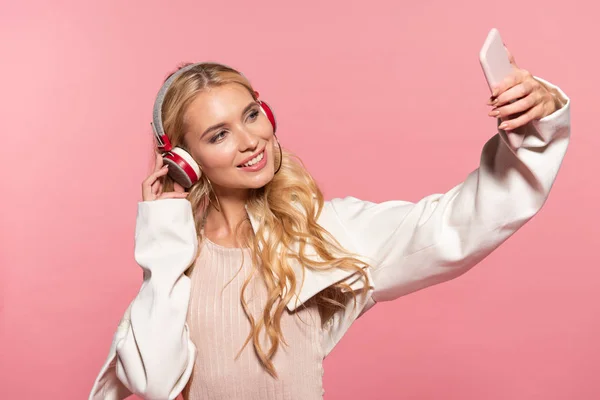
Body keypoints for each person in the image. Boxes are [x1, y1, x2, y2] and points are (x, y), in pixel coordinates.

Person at [89, 52, 570, 400]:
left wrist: (537, 128)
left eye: (251, 115)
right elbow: (155, 382)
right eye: (219, 134)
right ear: (185, 160)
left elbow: (459, 226)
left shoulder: (318, 233)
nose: (251, 141)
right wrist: (164, 236)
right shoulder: (174, 258)